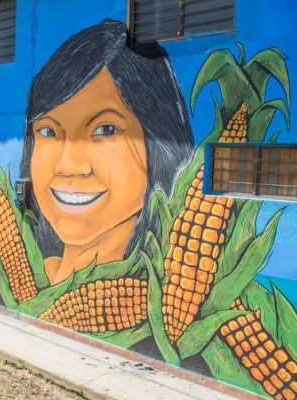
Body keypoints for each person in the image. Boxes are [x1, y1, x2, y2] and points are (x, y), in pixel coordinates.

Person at [19, 19, 194, 285]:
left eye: (106, 129)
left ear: (156, 142)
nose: (68, 165)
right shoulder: (30, 273)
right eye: (48, 132)